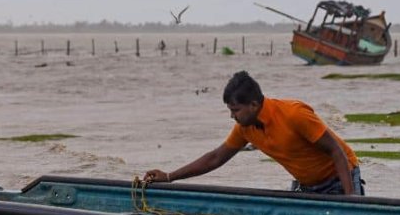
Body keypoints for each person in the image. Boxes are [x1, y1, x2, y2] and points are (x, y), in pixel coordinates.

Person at [144, 71, 364, 195]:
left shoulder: (294, 115)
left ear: (253, 104)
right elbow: (215, 158)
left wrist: (350, 200)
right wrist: (170, 177)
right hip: (307, 185)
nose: (233, 117)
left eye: (235, 110)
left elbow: (336, 152)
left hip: (338, 178)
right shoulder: (245, 129)